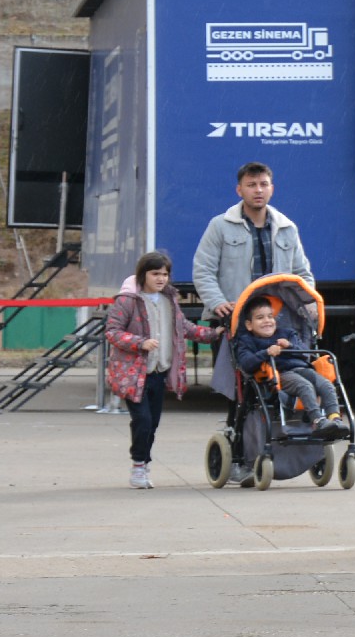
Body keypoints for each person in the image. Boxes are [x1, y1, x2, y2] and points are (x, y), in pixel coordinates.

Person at [105, 250, 215, 488]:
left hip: (159, 372)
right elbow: (112, 331)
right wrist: (139, 343)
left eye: (165, 274)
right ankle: (138, 464)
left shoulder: (170, 300)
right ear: (143, 274)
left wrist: (214, 335)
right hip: (134, 374)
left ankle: (143, 464)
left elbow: (183, 327)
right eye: (155, 273)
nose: (161, 279)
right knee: (142, 420)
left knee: (152, 423)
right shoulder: (127, 301)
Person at [192, 162, 314, 323]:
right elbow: (203, 270)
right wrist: (217, 302)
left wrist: (309, 303)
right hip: (233, 317)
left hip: (277, 320)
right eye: (251, 185)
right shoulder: (220, 225)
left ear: (272, 189)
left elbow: (302, 274)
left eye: (264, 184)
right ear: (239, 190)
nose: (258, 190)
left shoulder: (287, 228)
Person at [232, 292, 342, 437]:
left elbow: (305, 353)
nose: (267, 321)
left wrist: (289, 346)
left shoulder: (287, 333)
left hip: (301, 368)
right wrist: (266, 353)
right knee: (305, 386)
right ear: (249, 324)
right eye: (260, 318)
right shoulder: (247, 340)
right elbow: (246, 364)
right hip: (279, 374)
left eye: (270, 316)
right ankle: (318, 420)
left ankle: (335, 419)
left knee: (326, 384)